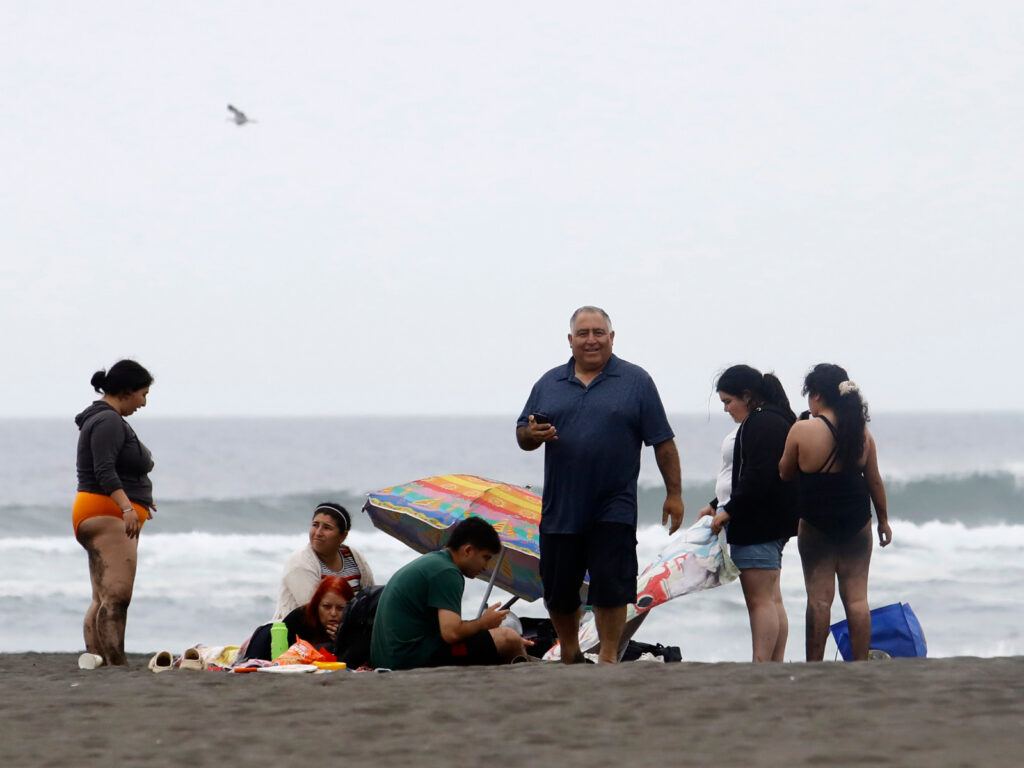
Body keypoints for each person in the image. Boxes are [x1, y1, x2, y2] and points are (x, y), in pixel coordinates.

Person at [516, 306, 683, 664]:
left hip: (614, 504)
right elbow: (522, 436)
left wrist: (674, 494)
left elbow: (663, 442)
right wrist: (531, 434)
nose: (591, 340)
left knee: (612, 586)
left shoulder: (636, 381)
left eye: (598, 332)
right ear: (570, 340)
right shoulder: (548, 383)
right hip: (561, 507)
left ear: (611, 337)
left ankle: (608, 657)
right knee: (559, 591)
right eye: (583, 333)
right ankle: (571, 651)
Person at [779, 363, 892, 662]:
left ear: (816, 395)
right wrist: (883, 520)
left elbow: (785, 473)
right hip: (857, 522)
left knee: (818, 599)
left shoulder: (802, 429)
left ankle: (815, 665)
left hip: (816, 523)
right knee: (857, 599)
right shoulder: (861, 433)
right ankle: (860, 664)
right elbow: (875, 480)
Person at [699, 365, 797, 662]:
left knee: (759, 601)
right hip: (770, 521)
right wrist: (717, 504)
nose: (727, 409)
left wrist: (729, 511)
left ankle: (761, 662)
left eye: (729, 402)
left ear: (747, 395)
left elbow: (757, 475)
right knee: (771, 597)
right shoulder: (772, 418)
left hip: (758, 523)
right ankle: (773, 662)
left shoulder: (762, 422)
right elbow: (744, 474)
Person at [73, 360, 156, 666]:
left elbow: (115, 468)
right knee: (117, 597)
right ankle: (116, 662)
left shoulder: (103, 418)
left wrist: (139, 498)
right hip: (108, 513)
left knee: (101, 597)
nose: (144, 402)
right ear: (126, 391)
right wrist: (126, 506)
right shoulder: (107, 421)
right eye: (142, 394)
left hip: (100, 510)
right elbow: (104, 470)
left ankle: (96, 660)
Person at [369, 517, 531, 670]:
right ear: (468, 550)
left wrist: (486, 630)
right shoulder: (447, 572)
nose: (486, 567)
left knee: (501, 638)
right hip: (410, 660)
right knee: (509, 638)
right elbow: (451, 633)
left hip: (390, 657)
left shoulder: (435, 562)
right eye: (485, 557)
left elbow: (447, 628)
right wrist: (483, 623)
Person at [273, 502, 375, 621]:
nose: (318, 533)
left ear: (343, 536)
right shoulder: (301, 561)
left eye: (327, 527)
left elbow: (370, 598)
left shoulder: (353, 556)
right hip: (304, 632)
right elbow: (313, 611)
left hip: (350, 629)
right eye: (315, 525)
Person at [241, 576, 355, 660]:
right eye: (326, 607)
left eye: (341, 608)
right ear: (316, 605)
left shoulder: (354, 623)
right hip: (265, 639)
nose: (333, 613)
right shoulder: (299, 619)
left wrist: (342, 642)